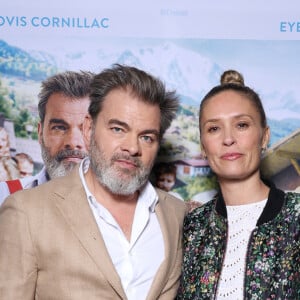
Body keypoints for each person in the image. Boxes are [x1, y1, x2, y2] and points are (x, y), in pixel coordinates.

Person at [0, 64, 187, 299]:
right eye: (118, 129)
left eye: (146, 137)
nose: (131, 147)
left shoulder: (177, 214)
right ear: (89, 128)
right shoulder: (26, 211)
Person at [176, 70, 300, 299]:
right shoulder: (191, 228)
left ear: (264, 136)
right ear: (203, 146)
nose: (228, 139)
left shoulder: (297, 216)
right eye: (214, 128)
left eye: (241, 125)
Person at [0, 70, 94, 205]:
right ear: (40, 133)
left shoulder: (128, 212)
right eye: (59, 128)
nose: (73, 142)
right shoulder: (4, 197)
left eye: (87, 129)